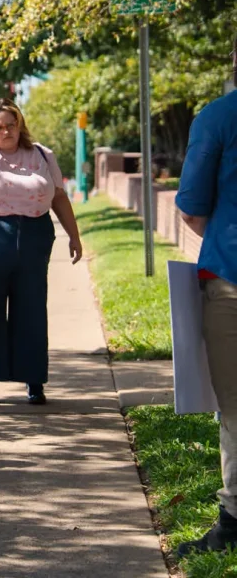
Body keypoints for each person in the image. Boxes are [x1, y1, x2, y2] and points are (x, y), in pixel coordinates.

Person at [0, 97, 83, 406]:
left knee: (32, 308)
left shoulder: (41, 155)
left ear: (20, 125)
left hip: (34, 234)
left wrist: (74, 235)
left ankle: (34, 380)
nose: (5, 132)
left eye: (11, 125)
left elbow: (59, 197)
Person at [175, 87, 237, 557]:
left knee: (235, 406)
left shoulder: (217, 117)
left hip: (232, 274)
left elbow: (192, 207)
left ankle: (232, 523)